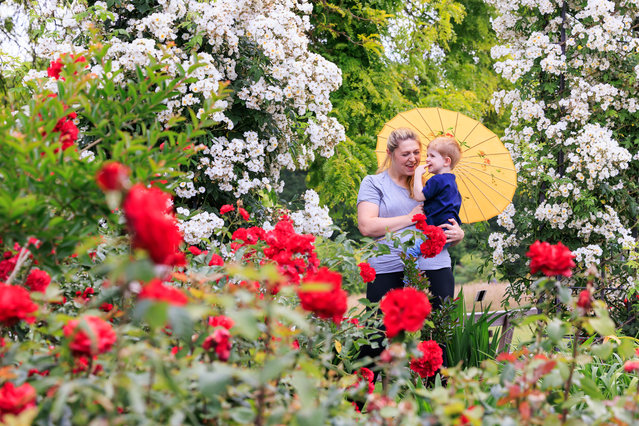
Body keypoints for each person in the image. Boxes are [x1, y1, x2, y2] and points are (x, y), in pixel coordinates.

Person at [356, 127, 464, 375]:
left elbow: (445, 221)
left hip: (434, 266)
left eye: (417, 152)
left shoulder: (432, 183)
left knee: (439, 336)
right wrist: (408, 218)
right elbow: (366, 226)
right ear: (391, 153)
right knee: (376, 336)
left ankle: (436, 401)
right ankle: (358, 403)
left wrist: (458, 235)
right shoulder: (374, 183)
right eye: (406, 154)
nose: (413, 159)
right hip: (387, 268)